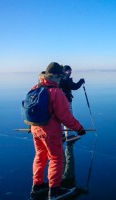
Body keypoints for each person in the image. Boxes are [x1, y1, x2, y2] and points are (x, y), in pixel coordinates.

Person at [29, 62, 86, 200]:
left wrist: (32, 127)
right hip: (50, 131)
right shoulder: (55, 92)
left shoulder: (35, 87)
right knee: (56, 158)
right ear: (54, 76)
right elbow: (65, 116)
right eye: (60, 77)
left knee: (40, 155)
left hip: (35, 129)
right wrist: (79, 128)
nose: (61, 79)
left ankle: (37, 186)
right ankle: (54, 190)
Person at [59, 65, 85, 142]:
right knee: (68, 116)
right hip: (66, 100)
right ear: (64, 71)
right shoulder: (64, 79)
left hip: (59, 101)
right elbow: (74, 86)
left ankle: (62, 134)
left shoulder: (59, 79)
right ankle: (69, 136)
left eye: (70, 71)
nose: (70, 72)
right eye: (68, 71)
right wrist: (81, 81)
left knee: (60, 116)